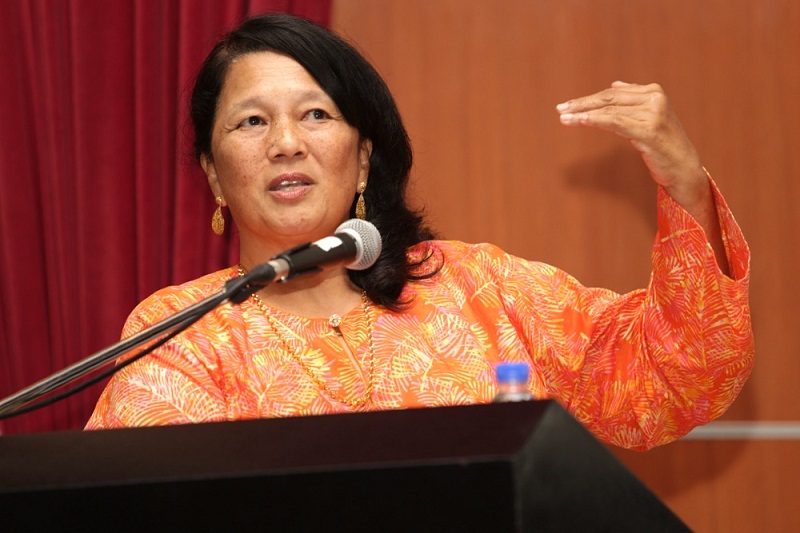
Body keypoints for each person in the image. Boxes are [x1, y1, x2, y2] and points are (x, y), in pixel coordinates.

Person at [85, 13, 753, 451]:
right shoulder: (182, 333)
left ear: (365, 156)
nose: (286, 143)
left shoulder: (479, 290)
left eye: (316, 113)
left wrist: (685, 185)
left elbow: (675, 377)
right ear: (213, 174)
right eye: (251, 123)